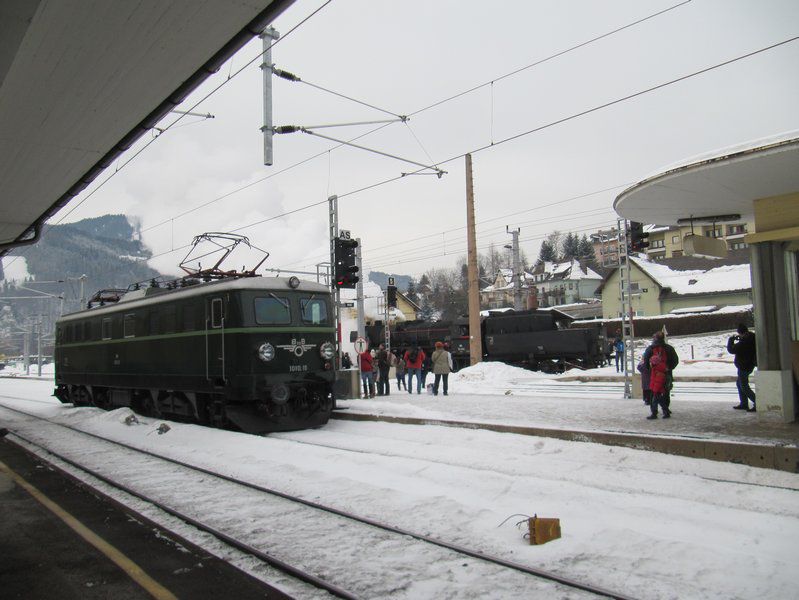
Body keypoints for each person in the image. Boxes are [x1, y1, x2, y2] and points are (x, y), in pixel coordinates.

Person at [642, 331, 679, 419]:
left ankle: (655, 412)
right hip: (667, 373)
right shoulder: (669, 348)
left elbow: (645, 361)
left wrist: (649, 369)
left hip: (654, 374)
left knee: (654, 394)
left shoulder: (650, 349)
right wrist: (669, 368)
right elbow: (675, 360)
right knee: (666, 391)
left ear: (654, 339)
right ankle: (666, 409)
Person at [727, 323, 757, 412]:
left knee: (744, 386)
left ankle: (757, 402)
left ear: (740, 332)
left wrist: (730, 340)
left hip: (744, 366)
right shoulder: (751, 337)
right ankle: (743, 403)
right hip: (748, 365)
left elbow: (731, 350)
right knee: (739, 384)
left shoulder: (744, 342)